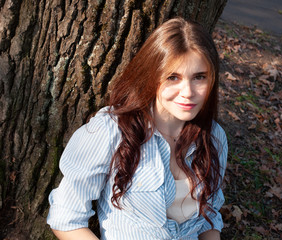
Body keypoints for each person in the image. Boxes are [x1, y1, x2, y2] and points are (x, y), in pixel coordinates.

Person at [47, 17, 228, 240]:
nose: (188, 92)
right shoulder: (112, 131)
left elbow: (208, 217)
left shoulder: (214, 137)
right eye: (173, 77)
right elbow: (66, 217)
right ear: (152, 77)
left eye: (199, 77)